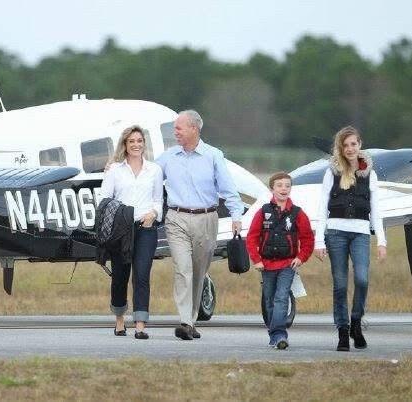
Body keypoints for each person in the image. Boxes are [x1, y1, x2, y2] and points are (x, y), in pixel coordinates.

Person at [157, 110, 243, 340]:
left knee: (198, 272)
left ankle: (191, 319)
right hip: (176, 218)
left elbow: (228, 189)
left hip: (207, 219)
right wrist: (115, 167)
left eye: (179, 128)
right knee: (182, 269)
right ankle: (185, 321)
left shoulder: (213, 156)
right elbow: (146, 174)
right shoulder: (168, 157)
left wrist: (236, 216)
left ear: (194, 129)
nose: (175, 132)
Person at [314, 126, 387, 351]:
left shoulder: (369, 174)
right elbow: (321, 207)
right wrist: (319, 241)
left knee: (362, 279)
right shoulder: (331, 172)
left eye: (353, 144)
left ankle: (356, 321)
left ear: (360, 145)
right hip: (335, 232)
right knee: (340, 284)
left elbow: (375, 209)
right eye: (345, 145)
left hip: (361, 232)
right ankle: (343, 331)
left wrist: (382, 241)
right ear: (340, 148)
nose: (349, 149)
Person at [100, 125, 163, 340]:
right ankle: (119, 320)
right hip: (121, 231)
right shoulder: (115, 170)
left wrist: (153, 214)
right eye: (131, 141)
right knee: (120, 276)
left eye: (139, 141)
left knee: (142, 275)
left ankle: (140, 325)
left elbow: (158, 199)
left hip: (146, 228)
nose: (136, 144)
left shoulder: (154, 169)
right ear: (125, 145)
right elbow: (105, 200)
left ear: (144, 144)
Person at [246, 172, 314, 349]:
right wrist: (256, 259)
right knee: (269, 300)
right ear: (272, 189)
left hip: (287, 264)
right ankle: (273, 333)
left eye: (287, 186)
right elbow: (252, 237)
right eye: (279, 185)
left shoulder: (298, 213)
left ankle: (279, 334)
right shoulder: (263, 212)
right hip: (266, 265)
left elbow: (308, 239)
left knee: (281, 297)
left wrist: (301, 257)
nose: (284, 189)